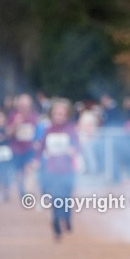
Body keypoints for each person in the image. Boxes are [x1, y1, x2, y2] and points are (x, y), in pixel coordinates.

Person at [37, 100, 81, 240]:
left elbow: (78, 147)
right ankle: (56, 223)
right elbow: (41, 148)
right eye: (57, 113)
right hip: (52, 169)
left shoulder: (70, 129)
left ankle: (67, 218)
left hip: (67, 170)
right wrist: (36, 160)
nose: (59, 116)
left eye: (62, 114)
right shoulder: (47, 130)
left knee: (66, 197)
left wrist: (72, 150)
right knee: (56, 197)